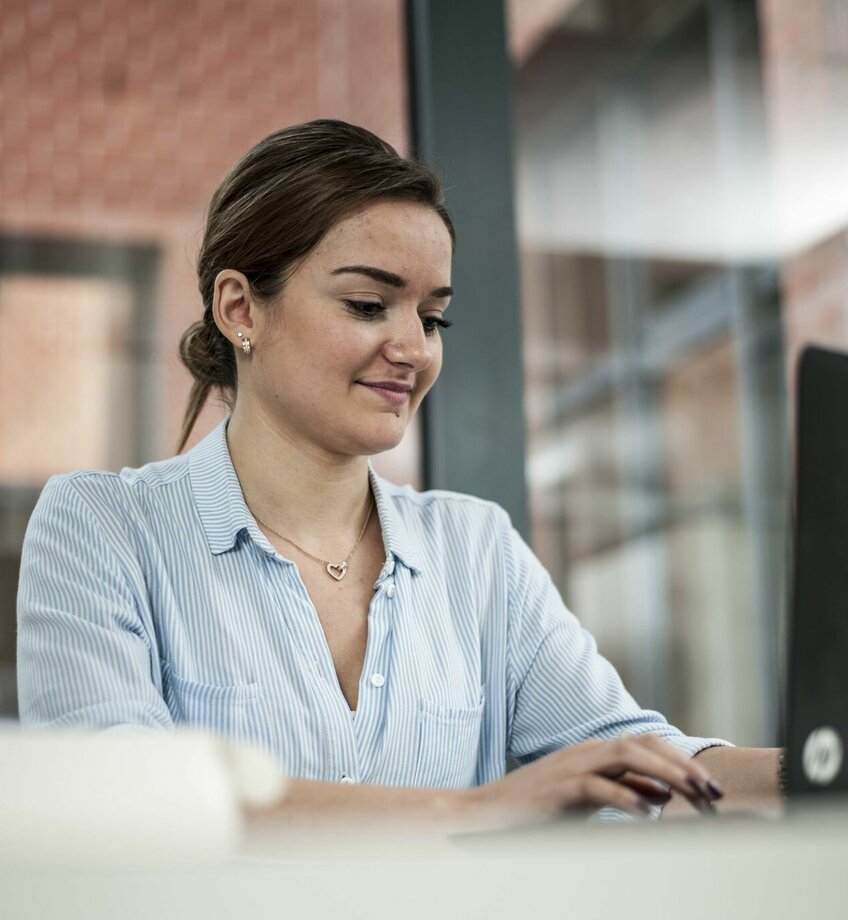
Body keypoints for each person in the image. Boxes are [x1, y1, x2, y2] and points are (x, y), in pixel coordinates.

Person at [16, 120, 780, 829]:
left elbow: (635, 762)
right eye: (368, 303)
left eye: (432, 317)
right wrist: (475, 810)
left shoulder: (473, 548)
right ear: (240, 308)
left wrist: (812, 772)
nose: (414, 348)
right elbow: (125, 803)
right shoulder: (104, 529)